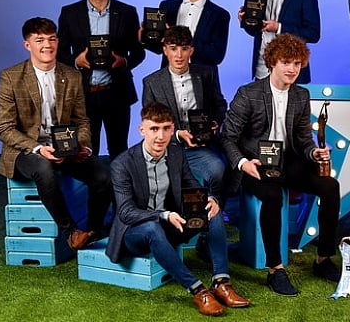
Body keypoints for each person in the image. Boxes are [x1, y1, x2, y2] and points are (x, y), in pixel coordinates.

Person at [220, 33, 341, 296]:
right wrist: (242, 163)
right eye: (287, 62)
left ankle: (323, 259)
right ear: (272, 62)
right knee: (272, 197)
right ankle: (276, 270)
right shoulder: (249, 93)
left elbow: (302, 139)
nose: (292, 69)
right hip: (255, 163)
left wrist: (315, 154)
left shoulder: (301, 95)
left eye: (297, 63)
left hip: (289, 161)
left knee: (331, 186)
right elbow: (227, 136)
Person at [106, 102, 251, 316]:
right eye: (154, 129)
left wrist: (208, 198)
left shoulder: (176, 154)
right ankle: (198, 290)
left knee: (212, 211)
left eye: (165, 128)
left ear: (173, 129)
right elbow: (126, 212)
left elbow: (191, 186)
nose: (160, 136)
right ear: (142, 130)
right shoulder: (122, 164)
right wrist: (163, 215)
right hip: (134, 234)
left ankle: (221, 282)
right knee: (152, 228)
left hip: (171, 226)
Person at [0, 17, 112, 250]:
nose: (47, 45)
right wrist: (39, 149)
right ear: (27, 45)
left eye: (52, 39)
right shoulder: (10, 77)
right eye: (39, 40)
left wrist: (83, 147)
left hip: (65, 147)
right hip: (26, 150)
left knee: (103, 176)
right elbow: (4, 128)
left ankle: (92, 231)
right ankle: (71, 233)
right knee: (44, 168)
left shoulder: (72, 75)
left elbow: (82, 120)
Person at [57, 0, 145, 159]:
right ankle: (94, 191)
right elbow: (60, 53)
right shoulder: (70, 13)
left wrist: (124, 62)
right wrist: (76, 62)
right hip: (83, 94)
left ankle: (121, 191)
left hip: (117, 92)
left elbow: (138, 52)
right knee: (87, 150)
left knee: (119, 149)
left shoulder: (127, 12)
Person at [142, 25, 227, 197]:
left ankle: (217, 208)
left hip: (201, 146)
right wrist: (178, 134)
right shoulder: (152, 82)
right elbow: (150, 123)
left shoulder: (206, 74)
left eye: (184, 49)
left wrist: (215, 123)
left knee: (219, 170)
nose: (179, 55)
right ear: (165, 50)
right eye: (173, 49)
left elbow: (220, 105)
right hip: (167, 147)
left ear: (191, 50)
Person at [150, 0, 230, 71]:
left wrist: (177, 36)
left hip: (203, 80)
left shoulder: (220, 15)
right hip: (168, 77)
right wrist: (144, 37)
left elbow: (217, 56)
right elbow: (158, 48)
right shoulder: (166, 7)